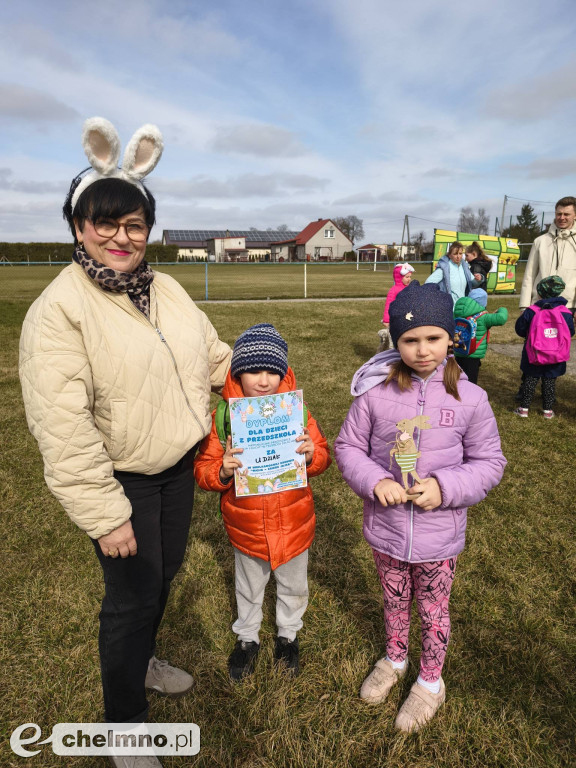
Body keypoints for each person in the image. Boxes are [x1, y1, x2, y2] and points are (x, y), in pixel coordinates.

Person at [19, 118, 231, 767]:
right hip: (122, 480)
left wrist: (250, 379)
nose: (120, 236)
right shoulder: (59, 309)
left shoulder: (163, 287)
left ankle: (142, 660)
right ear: (79, 225)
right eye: (104, 222)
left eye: (134, 223)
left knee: (163, 577)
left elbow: (203, 350)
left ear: (148, 228)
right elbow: (61, 423)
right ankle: (127, 731)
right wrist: (104, 510)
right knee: (131, 597)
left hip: (177, 465)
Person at [334, 281, 506, 733]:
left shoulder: (470, 399)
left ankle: (431, 682)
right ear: (396, 341)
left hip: (438, 536)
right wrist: (376, 481)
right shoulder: (374, 394)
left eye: (433, 338)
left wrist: (444, 487)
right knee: (393, 600)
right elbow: (349, 447)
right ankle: (394, 659)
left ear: (452, 338)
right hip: (387, 529)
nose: (422, 350)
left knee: (432, 610)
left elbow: (489, 462)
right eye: (410, 340)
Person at [194, 324, 331, 680]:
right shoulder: (223, 418)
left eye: (273, 370)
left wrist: (310, 455)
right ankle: (247, 638)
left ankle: (288, 635)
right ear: (238, 372)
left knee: (293, 585)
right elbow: (203, 470)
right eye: (255, 370)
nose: (265, 380)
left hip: (294, 523)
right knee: (249, 586)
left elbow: (323, 458)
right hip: (248, 526)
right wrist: (222, 472)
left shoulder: (297, 413)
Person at [514, 276, 574, 419]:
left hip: (534, 352)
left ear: (540, 292)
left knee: (530, 379)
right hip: (556, 355)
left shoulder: (532, 310)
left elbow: (520, 329)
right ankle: (547, 410)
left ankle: (524, 409)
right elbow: (570, 332)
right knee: (549, 381)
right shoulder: (565, 313)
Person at [519, 196, 576, 310]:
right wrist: (524, 306)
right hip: (540, 305)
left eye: (566, 214)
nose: (562, 217)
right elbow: (529, 276)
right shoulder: (540, 241)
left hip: (568, 307)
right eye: (559, 214)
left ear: (575, 215)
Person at [453, 288, 508, 384]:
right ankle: (469, 396)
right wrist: (501, 309)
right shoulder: (484, 317)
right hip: (473, 354)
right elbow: (502, 318)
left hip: (458, 350)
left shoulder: (458, 312)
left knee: (458, 377)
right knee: (470, 379)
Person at [378, 263, 415, 351]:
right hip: (396, 319)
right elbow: (388, 305)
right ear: (399, 277)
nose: (409, 279)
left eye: (410, 277)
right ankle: (392, 353)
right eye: (407, 277)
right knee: (394, 340)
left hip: (408, 318)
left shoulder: (410, 289)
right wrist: (386, 320)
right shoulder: (394, 290)